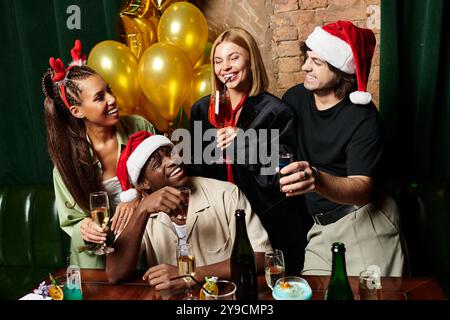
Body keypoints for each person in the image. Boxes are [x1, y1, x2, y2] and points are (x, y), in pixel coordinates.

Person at [281, 21, 404, 276]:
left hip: (364, 222)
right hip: (319, 228)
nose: (305, 66)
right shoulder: (295, 99)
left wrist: (315, 178)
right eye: (307, 58)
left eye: (317, 62)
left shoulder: (364, 118)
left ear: (341, 70)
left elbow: (361, 189)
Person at [189, 27, 309, 274]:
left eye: (234, 57)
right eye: (218, 61)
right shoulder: (201, 110)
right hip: (220, 222)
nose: (225, 67)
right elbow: (195, 170)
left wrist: (245, 144)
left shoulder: (276, 111)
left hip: (270, 220)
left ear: (251, 60)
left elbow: (280, 177)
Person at [105, 131, 272, 290]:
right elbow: (114, 275)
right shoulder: (140, 212)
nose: (172, 161)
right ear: (143, 183)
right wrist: (142, 209)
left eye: (172, 153)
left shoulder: (226, 194)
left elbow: (261, 257)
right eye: (158, 163)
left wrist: (191, 274)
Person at [41, 40, 155, 268]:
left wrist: (139, 199)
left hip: (145, 251)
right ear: (77, 111)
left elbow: (167, 182)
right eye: (99, 97)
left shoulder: (141, 128)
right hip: (94, 265)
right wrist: (83, 227)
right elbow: (71, 221)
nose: (112, 99)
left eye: (108, 90)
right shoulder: (67, 161)